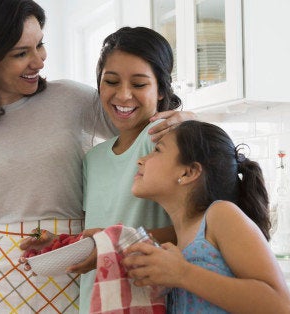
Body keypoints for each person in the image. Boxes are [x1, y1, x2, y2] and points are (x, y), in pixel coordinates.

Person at [0, 1, 192, 313]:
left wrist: (186, 118)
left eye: (40, 45)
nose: (39, 61)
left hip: (76, 265)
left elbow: (138, 112)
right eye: (21, 53)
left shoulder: (70, 99)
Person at [19, 26, 181, 313]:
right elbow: (95, 234)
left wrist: (111, 247)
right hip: (95, 302)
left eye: (140, 84)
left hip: (146, 301)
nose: (124, 95)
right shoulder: (93, 159)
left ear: (161, 91)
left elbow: (191, 231)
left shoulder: (161, 140)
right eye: (111, 81)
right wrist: (57, 244)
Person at [123, 120, 290, 313]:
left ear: (189, 172)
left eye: (157, 150)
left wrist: (182, 273)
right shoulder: (180, 237)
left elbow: (280, 306)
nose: (141, 160)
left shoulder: (221, 215)